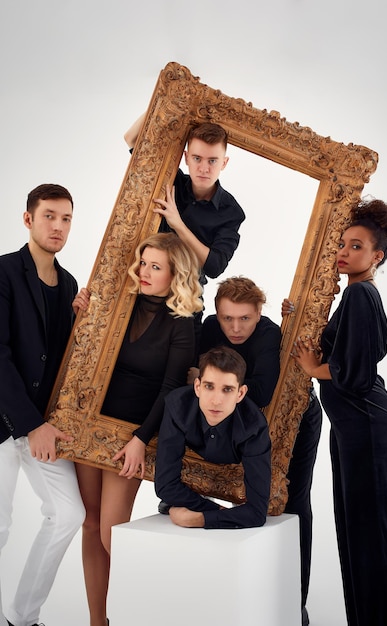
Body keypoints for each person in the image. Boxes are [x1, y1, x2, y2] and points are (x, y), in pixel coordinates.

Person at [73, 232, 203, 626]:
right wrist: (80, 316)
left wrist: (140, 440)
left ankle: (139, 614)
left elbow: (171, 388)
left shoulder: (182, 322)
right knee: (90, 523)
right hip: (90, 424)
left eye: (155, 267)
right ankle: (99, 621)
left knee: (113, 533)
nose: (145, 272)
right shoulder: (119, 304)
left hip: (133, 433)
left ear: (173, 274)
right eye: (143, 263)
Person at [291, 198, 387, 625]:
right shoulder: (356, 294)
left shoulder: (360, 293)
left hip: (365, 420)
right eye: (342, 244)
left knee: (368, 532)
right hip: (357, 422)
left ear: (376, 255)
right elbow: (345, 350)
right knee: (359, 528)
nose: (344, 252)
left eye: (355, 246)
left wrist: (312, 369)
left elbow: (354, 373)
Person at [186, 276, 322, 626]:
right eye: (227, 318)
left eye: (244, 318)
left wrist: (211, 385)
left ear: (259, 314)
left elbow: (260, 393)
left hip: (296, 417)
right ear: (216, 313)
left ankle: (297, 601)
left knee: (293, 502)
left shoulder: (268, 334)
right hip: (242, 425)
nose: (235, 327)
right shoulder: (209, 328)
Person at [0, 184, 86, 626]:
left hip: (42, 423)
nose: (58, 226)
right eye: (49, 216)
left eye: (66, 218)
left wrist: (82, 323)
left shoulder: (68, 283)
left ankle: (21, 617)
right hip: (5, 420)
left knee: (69, 512)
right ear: (28, 219)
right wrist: (29, 424)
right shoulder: (3, 272)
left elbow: (60, 360)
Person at [124, 115, 246, 358]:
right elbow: (132, 139)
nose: (204, 168)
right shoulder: (170, 180)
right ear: (186, 157)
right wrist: (172, 101)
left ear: (224, 163)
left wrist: (177, 223)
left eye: (213, 160)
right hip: (142, 292)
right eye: (197, 158)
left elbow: (214, 266)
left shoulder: (231, 212)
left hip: (185, 306)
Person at [155, 346, 271, 528]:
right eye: (209, 387)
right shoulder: (177, 406)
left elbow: (257, 513)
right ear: (197, 387)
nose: (216, 401)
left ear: (240, 393)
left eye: (227, 390)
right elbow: (165, 486)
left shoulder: (254, 427)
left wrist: (199, 519)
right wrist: (218, 512)